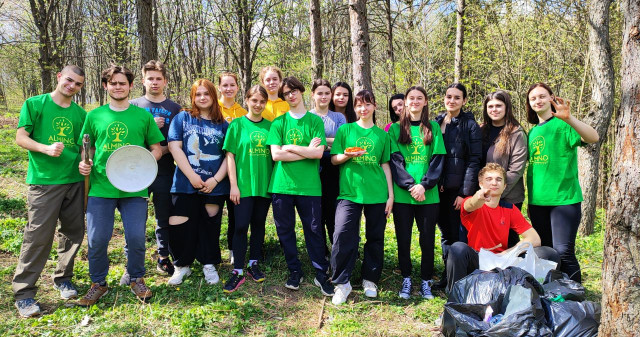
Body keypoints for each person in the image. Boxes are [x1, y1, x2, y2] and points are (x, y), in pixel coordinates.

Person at [77, 65, 164, 306]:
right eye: (113, 83)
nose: (118, 87)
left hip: (135, 186)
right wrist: (85, 163)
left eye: (122, 83)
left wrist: (144, 162)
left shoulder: (143, 116)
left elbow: (156, 148)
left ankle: (137, 278)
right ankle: (98, 283)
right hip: (101, 186)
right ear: (105, 86)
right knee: (97, 239)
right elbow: (88, 148)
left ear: (130, 86)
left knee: (136, 237)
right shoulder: (94, 115)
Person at [12, 65, 86, 317]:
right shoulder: (35, 103)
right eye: (69, 80)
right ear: (59, 78)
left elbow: (82, 148)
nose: (72, 86)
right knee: (38, 235)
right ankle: (24, 293)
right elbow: (21, 137)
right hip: (44, 181)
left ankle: (63, 278)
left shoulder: (80, 113)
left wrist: (85, 164)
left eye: (77, 84)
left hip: (74, 181)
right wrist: (44, 148)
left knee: (73, 232)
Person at [266, 76, 334, 296]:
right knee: (285, 231)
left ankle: (320, 274)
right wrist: (306, 151)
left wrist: (291, 146)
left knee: (314, 230)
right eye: (287, 93)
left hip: (310, 187)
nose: (291, 95)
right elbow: (276, 155)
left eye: (294, 91)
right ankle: (294, 270)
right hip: (282, 186)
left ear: (302, 92)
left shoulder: (314, 122)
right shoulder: (279, 122)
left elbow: (318, 152)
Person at [446, 163, 560, 293]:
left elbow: (534, 239)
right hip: (479, 260)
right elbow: (470, 205)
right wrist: (479, 197)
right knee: (457, 248)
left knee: (549, 253)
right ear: (480, 184)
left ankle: (539, 295)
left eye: (499, 179)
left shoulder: (510, 209)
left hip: (503, 262)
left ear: (504, 186)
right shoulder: (472, 203)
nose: (494, 183)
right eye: (489, 179)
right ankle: (456, 296)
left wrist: (505, 254)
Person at [525, 83, 599, 283]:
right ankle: (555, 293)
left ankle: (576, 295)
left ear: (551, 98)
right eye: (533, 98)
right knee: (547, 253)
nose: (538, 101)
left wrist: (570, 118)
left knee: (563, 251)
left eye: (542, 96)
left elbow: (593, 137)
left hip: (564, 200)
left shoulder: (564, 125)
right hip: (538, 202)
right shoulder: (531, 133)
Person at [330, 90, 393, 305]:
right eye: (359, 105)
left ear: (374, 106)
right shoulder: (345, 130)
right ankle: (342, 282)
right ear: (355, 108)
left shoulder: (382, 135)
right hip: (349, 192)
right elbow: (334, 160)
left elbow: (385, 164)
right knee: (342, 234)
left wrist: (390, 195)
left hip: (376, 193)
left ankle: (370, 280)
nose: (363, 109)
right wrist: (347, 154)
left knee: (375, 238)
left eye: (367, 105)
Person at [165, 79, 229, 286]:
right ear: (193, 97)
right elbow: (175, 147)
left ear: (213, 96)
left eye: (206, 94)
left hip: (214, 184)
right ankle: (182, 266)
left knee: (210, 225)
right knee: (178, 224)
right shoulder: (182, 118)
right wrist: (192, 176)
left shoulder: (223, 125)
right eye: (198, 94)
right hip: (185, 182)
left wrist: (216, 179)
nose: (202, 98)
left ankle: (208, 263)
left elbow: (230, 156)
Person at [388, 86, 446, 300]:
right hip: (404, 196)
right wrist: (411, 185)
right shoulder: (395, 129)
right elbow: (395, 160)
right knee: (403, 239)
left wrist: (424, 185)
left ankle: (425, 280)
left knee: (427, 239)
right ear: (405, 101)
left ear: (425, 102)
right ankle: (406, 278)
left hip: (428, 196)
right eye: (411, 98)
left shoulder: (433, 128)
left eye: (419, 98)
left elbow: (438, 159)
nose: (414, 101)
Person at [129, 60, 181, 278]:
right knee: (134, 219)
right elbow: (128, 141)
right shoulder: (133, 106)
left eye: (159, 78)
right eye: (150, 78)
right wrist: (149, 128)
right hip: (137, 171)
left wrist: (161, 147)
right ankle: (132, 264)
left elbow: (179, 142)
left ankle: (163, 258)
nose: (155, 82)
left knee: (164, 217)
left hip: (165, 170)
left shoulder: (175, 108)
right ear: (143, 81)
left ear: (165, 81)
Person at [222, 85, 272, 293]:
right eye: (254, 100)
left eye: (262, 101)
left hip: (264, 185)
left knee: (259, 224)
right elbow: (230, 156)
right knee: (241, 225)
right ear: (247, 100)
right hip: (243, 185)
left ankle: (253, 264)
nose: (258, 105)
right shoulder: (237, 125)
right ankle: (237, 270)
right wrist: (233, 185)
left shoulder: (272, 126)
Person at [434, 83, 482, 289]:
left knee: (459, 237)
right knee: (445, 235)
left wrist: (464, 193)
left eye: (457, 97)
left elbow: (474, 160)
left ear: (464, 101)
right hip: (438, 190)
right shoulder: (435, 123)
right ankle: (447, 277)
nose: (451, 100)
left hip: (458, 192)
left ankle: (460, 283)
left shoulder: (469, 125)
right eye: (448, 96)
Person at [480, 90, 527, 247]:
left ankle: (513, 271)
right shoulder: (481, 130)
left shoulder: (516, 133)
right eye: (490, 106)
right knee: (488, 240)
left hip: (509, 196)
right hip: (484, 196)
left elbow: (516, 169)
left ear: (507, 107)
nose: (494, 109)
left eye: (499, 106)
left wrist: (497, 193)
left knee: (508, 240)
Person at [310, 79, 346, 255]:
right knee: (316, 214)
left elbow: (343, 142)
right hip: (311, 168)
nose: (323, 97)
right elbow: (305, 144)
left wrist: (319, 142)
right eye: (320, 93)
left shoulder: (339, 117)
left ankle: (336, 252)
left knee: (332, 213)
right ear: (313, 95)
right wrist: (330, 143)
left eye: (326, 93)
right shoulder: (307, 117)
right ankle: (320, 253)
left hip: (333, 168)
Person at [217, 72, 248, 265]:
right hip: (212, 168)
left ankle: (233, 248)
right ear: (219, 87)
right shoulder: (213, 109)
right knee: (212, 213)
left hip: (235, 169)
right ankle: (210, 251)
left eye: (232, 85)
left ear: (237, 88)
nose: (228, 89)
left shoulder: (243, 113)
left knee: (235, 213)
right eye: (225, 85)